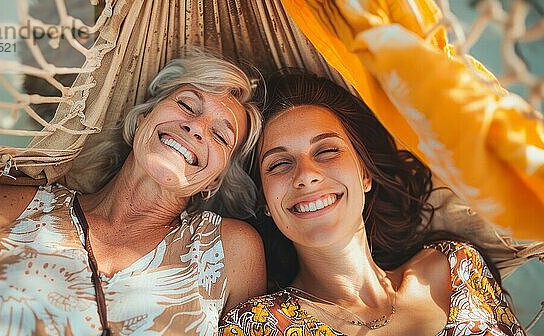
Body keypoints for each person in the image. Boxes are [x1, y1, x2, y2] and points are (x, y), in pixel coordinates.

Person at [0, 52, 266, 335]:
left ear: (214, 180)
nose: (196, 127)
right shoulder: (21, 201)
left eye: (220, 135)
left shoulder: (225, 252)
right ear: (142, 118)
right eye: (186, 104)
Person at [219, 71, 524, 335]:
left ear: (365, 174)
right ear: (265, 205)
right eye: (279, 164)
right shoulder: (258, 326)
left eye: (326, 151)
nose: (306, 175)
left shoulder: (457, 268)